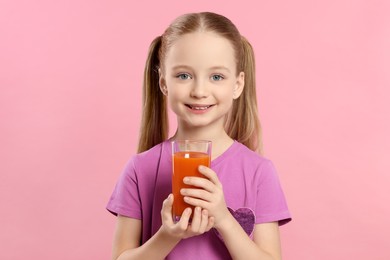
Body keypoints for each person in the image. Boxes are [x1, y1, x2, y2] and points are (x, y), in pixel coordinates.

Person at [106, 11, 291, 260]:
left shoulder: (259, 171)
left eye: (216, 76)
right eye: (184, 75)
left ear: (237, 85)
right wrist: (168, 235)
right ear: (163, 83)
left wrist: (224, 219)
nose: (200, 91)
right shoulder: (140, 169)